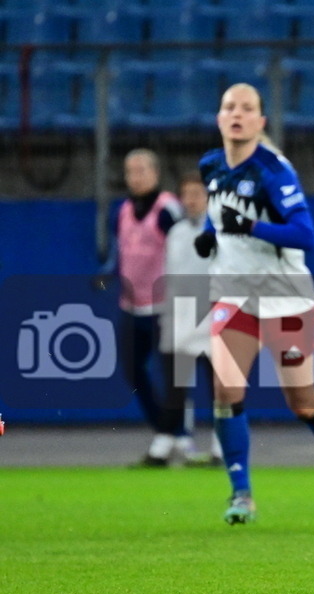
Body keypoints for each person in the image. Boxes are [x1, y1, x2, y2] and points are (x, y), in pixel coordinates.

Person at [193, 82, 314, 524]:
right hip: (233, 293)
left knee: (303, 403)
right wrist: (213, 235)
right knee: (226, 390)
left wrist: (249, 227)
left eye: (247, 108)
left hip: (285, 296)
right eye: (229, 106)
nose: (237, 114)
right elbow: (221, 218)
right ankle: (241, 493)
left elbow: (306, 235)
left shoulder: (273, 170)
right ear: (219, 116)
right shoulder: (211, 165)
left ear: (260, 121)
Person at [98, 149, 184, 464]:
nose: (135, 176)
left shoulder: (167, 209)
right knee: (133, 371)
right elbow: (120, 254)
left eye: (141, 170)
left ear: (156, 173)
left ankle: (172, 436)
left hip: (165, 306)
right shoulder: (122, 210)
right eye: (129, 170)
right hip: (132, 304)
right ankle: (167, 429)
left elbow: (185, 249)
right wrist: (107, 276)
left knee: (173, 374)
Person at [148, 171, 223, 467]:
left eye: (198, 194)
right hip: (180, 320)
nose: (191, 200)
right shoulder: (176, 232)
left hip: (215, 319)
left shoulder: (221, 229)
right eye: (187, 194)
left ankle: (222, 447)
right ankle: (166, 445)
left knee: (220, 387)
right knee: (175, 386)